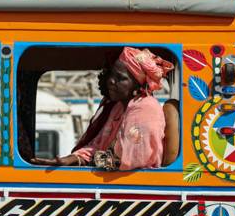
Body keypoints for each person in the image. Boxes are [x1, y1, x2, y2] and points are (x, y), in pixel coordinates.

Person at [33, 47, 171, 170]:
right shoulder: (118, 107)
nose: (111, 81)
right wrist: (71, 159)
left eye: (120, 78)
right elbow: (97, 146)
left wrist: (92, 160)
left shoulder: (145, 107)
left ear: (137, 84)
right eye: (112, 75)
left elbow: (128, 160)